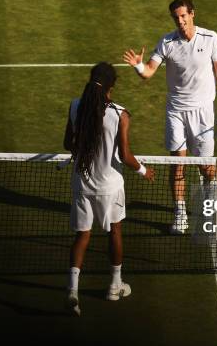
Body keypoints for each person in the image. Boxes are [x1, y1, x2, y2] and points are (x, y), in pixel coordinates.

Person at [123, 0, 217, 234]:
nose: (180, 21)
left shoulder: (210, 38)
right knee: (178, 166)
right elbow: (149, 72)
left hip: (204, 113)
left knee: (207, 168)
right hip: (176, 112)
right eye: (176, 17)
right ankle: (180, 212)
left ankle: (210, 207)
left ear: (192, 14)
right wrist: (138, 66)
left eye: (184, 16)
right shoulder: (167, 42)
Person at [63, 62, 154, 316]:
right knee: (115, 231)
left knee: (82, 236)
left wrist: (81, 148)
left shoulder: (75, 107)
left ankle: (72, 291)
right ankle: (115, 286)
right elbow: (125, 155)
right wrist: (144, 170)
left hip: (82, 184)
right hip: (110, 187)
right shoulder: (120, 114)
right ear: (111, 88)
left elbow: (67, 143)